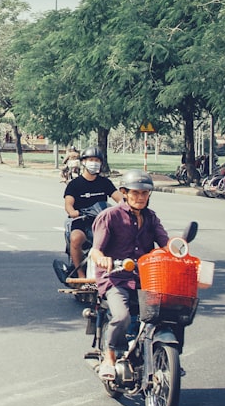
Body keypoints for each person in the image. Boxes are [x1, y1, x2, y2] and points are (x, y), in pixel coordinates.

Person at [88, 169, 169, 381]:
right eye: (135, 193)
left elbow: (166, 245)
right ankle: (110, 356)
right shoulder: (110, 216)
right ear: (124, 192)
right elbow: (95, 250)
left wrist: (178, 251)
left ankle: (164, 357)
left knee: (169, 314)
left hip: (145, 278)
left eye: (145, 193)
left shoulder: (151, 218)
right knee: (122, 316)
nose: (140, 197)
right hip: (115, 279)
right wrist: (102, 259)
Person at [62, 147, 124, 281]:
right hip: (82, 220)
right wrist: (73, 212)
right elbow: (68, 204)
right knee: (76, 238)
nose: (94, 163)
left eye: (97, 160)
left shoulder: (105, 183)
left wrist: (124, 205)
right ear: (83, 162)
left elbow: (119, 198)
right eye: (91, 160)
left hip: (102, 221)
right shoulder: (75, 184)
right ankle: (80, 275)